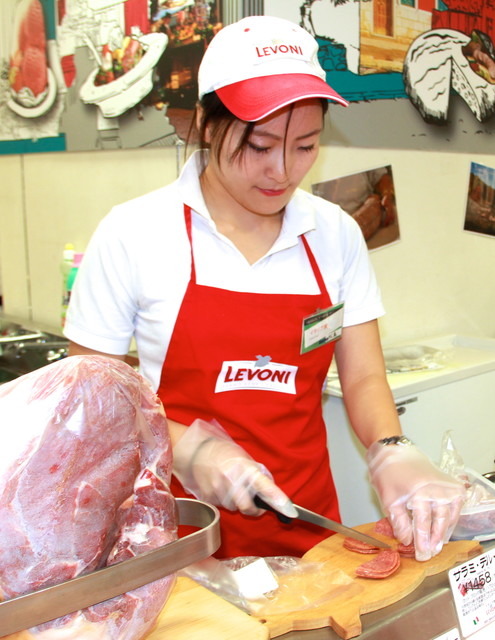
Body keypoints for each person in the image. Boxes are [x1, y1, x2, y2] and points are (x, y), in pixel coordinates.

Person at [65, 15, 465, 561]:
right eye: (259, 145)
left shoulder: (335, 232)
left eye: (305, 146)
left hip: (307, 530)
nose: (281, 171)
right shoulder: (134, 232)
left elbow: (365, 375)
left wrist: (392, 449)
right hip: (174, 540)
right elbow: (91, 404)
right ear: (207, 124)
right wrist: (188, 448)